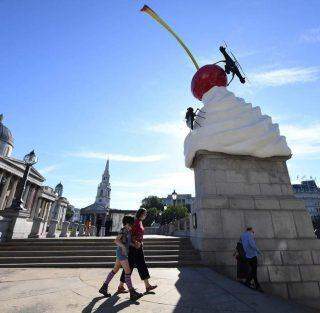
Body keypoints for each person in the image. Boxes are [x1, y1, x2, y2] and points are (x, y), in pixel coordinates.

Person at [99, 215, 143, 301]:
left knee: (115, 270)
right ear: (126, 224)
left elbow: (127, 242)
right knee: (128, 271)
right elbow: (116, 240)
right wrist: (123, 247)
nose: (131, 226)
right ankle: (132, 292)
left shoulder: (128, 231)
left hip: (122, 253)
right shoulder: (123, 230)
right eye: (130, 224)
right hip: (121, 253)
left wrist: (135, 245)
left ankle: (104, 287)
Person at [117, 208, 157, 293]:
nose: (146, 215)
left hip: (138, 247)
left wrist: (140, 242)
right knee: (129, 267)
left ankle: (147, 286)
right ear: (141, 214)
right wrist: (135, 242)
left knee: (142, 265)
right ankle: (120, 286)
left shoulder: (140, 222)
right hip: (133, 247)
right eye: (145, 214)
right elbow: (129, 234)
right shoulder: (135, 222)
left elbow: (139, 234)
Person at [241, 227, 263, 292]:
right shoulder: (250, 234)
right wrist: (258, 251)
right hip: (253, 255)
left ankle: (249, 282)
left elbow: (243, 245)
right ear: (250, 230)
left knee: (252, 270)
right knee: (254, 271)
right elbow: (252, 244)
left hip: (247, 255)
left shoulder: (242, 235)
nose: (253, 232)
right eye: (253, 231)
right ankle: (256, 285)